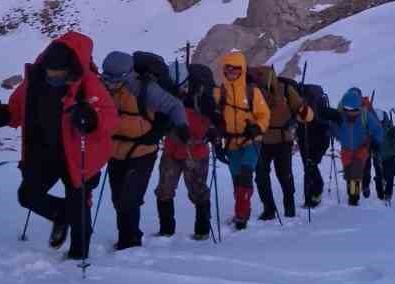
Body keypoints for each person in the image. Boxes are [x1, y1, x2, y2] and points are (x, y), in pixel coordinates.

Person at [0, 31, 117, 260]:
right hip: (44, 151)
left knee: (79, 200)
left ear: (71, 69)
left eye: (59, 75)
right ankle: (62, 214)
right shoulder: (35, 80)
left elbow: (110, 118)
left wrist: (91, 118)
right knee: (28, 195)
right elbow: (18, 108)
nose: (54, 79)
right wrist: (3, 115)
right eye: (50, 74)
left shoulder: (88, 83)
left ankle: (79, 255)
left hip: (78, 155)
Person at [99, 51, 189, 248]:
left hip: (143, 150)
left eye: (115, 80)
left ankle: (130, 242)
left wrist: (182, 126)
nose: (110, 84)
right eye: (107, 78)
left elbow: (174, 106)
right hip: (115, 151)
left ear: (127, 75)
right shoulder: (103, 87)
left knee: (130, 197)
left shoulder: (144, 89)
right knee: (117, 198)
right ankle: (126, 237)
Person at [156, 72, 217, 241]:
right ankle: (189, 230)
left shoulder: (201, 99)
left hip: (190, 149)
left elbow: (215, 120)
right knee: (167, 189)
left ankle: (178, 230)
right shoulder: (170, 97)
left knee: (192, 191)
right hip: (180, 150)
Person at [212, 51, 270, 229]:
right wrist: (216, 141)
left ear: (242, 70)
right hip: (231, 143)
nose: (232, 73)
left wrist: (257, 127)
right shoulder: (219, 92)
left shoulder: (252, 92)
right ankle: (243, 208)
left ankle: (241, 215)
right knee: (237, 180)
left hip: (252, 140)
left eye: (236, 69)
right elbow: (213, 117)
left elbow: (264, 115)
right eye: (228, 69)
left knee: (245, 175)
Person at [248, 67, 314, 219]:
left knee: (271, 176)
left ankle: (273, 209)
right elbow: (303, 113)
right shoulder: (263, 90)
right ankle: (281, 208)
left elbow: (302, 112)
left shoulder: (282, 90)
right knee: (276, 176)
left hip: (274, 140)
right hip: (270, 140)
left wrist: (304, 112)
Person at [325, 88, 383, 206]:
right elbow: (335, 129)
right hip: (346, 149)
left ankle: (354, 198)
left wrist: (377, 142)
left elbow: (377, 129)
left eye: (353, 110)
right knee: (349, 173)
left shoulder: (365, 115)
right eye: (347, 110)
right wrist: (329, 129)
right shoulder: (340, 115)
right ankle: (352, 192)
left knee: (355, 172)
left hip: (361, 148)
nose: (350, 113)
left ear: (359, 107)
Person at [376, 112, 395, 201]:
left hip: (391, 155)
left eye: (381, 121)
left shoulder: (389, 128)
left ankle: (388, 194)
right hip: (379, 156)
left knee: (390, 175)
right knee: (381, 176)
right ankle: (381, 194)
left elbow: (394, 130)